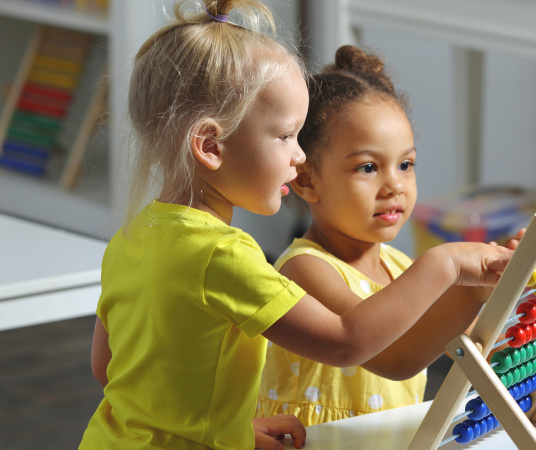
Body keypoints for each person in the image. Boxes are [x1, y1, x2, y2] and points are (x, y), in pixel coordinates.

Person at [79, 3, 513, 449]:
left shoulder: (133, 237)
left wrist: (225, 427)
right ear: (211, 146)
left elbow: (112, 367)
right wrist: (446, 264)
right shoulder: (224, 255)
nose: (299, 156)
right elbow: (346, 343)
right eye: (286, 136)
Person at [256, 45, 536, 429]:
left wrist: (531, 392)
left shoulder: (402, 269)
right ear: (307, 180)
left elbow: (481, 357)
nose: (395, 185)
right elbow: (396, 356)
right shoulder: (303, 271)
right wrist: (455, 273)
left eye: (406, 164)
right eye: (368, 167)